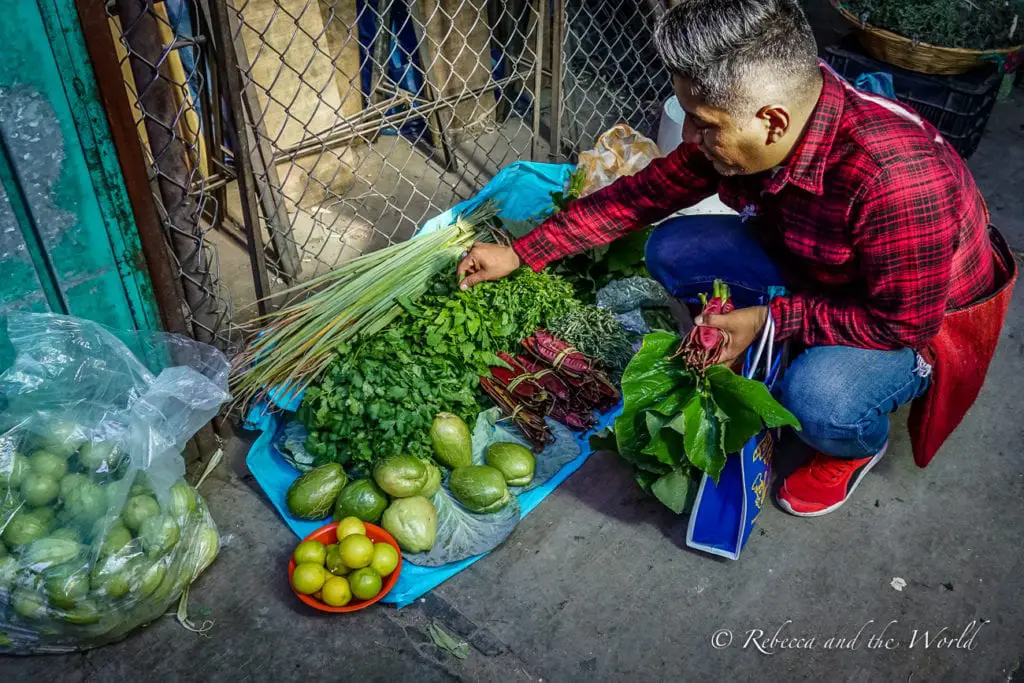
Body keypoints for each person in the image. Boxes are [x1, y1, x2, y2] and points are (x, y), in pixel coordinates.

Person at [456, 0, 1006, 517]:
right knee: (672, 248)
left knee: (819, 399)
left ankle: (854, 445)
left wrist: (771, 319)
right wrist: (524, 252)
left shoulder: (898, 182)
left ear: (772, 121)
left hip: (914, 316)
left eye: (703, 123)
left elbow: (902, 321)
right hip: (818, 261)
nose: (689, 136)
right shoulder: (755, 128)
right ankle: (773, 343)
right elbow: (642, 195)